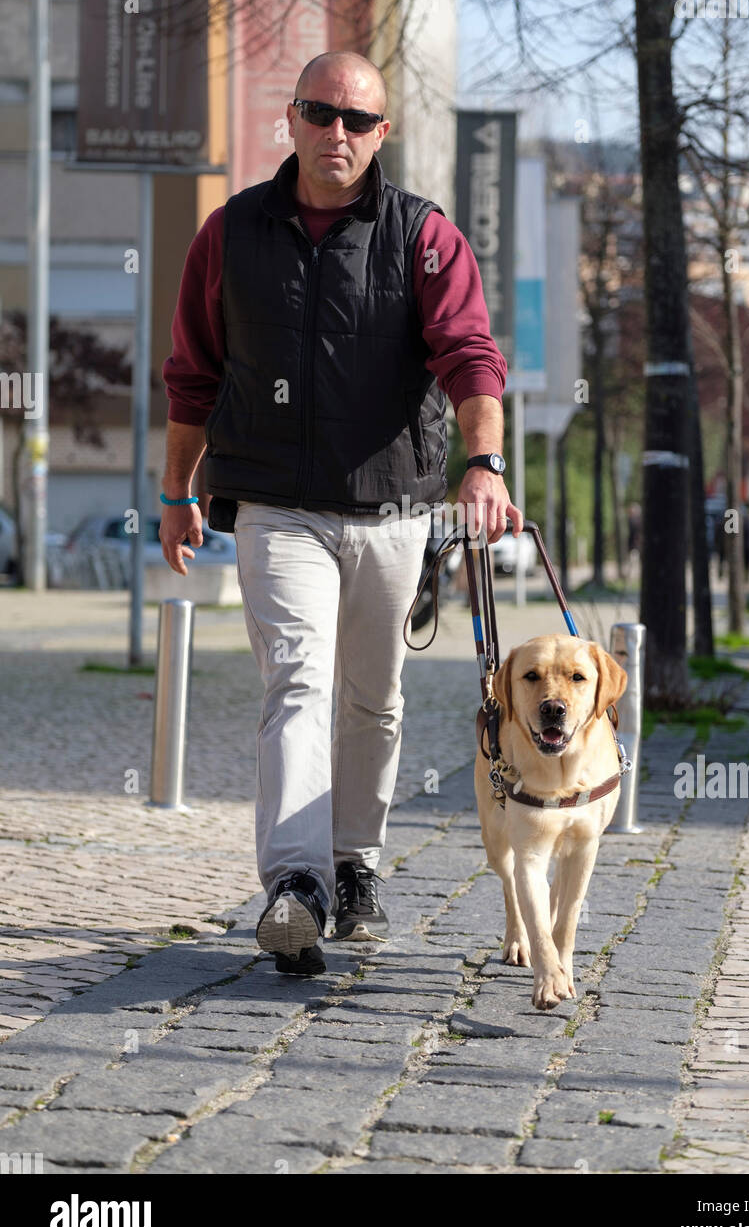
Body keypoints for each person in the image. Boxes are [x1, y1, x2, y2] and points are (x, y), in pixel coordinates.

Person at [159, 52, 523, 976]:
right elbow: (193, 375)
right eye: (322, 114)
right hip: (277, 509)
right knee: (297, 683)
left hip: (393, 509)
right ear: (291, 118)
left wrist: (484, 464)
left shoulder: (422, 236)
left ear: (381, 134)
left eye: (358, 120)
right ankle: (296, 885)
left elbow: (473, 358)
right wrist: (174, 494)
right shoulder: (232, 233)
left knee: (374, 698)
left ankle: (355, 863)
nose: (339, 134)